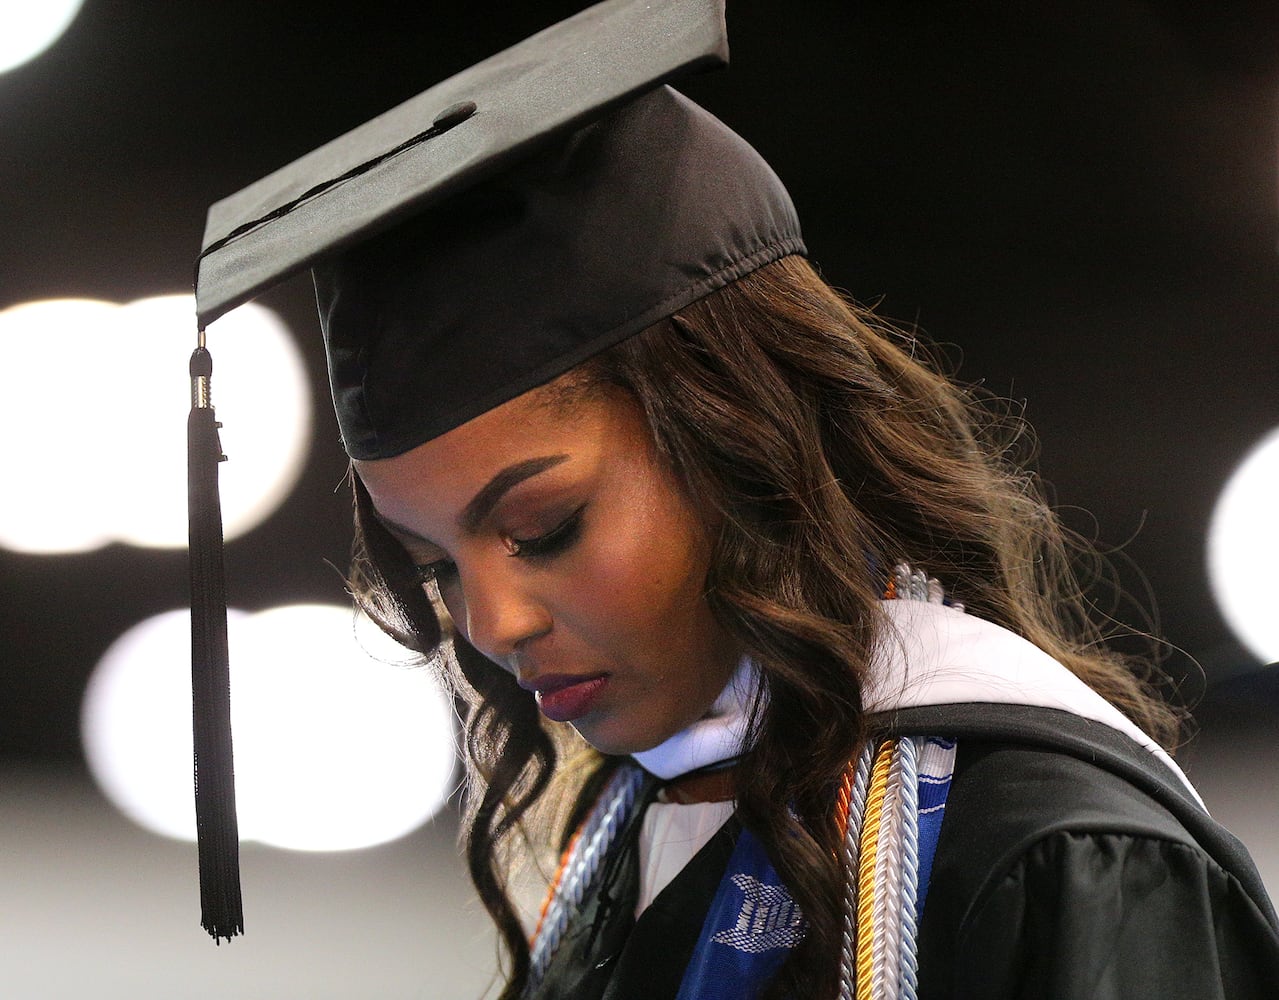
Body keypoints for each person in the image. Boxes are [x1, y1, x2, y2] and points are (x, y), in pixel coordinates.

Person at [191, 1, 1279, 997]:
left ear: (742, 443)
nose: (490, 624)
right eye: (434, 563)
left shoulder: (1041, 851)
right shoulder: (634, 849)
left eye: (542, 529)